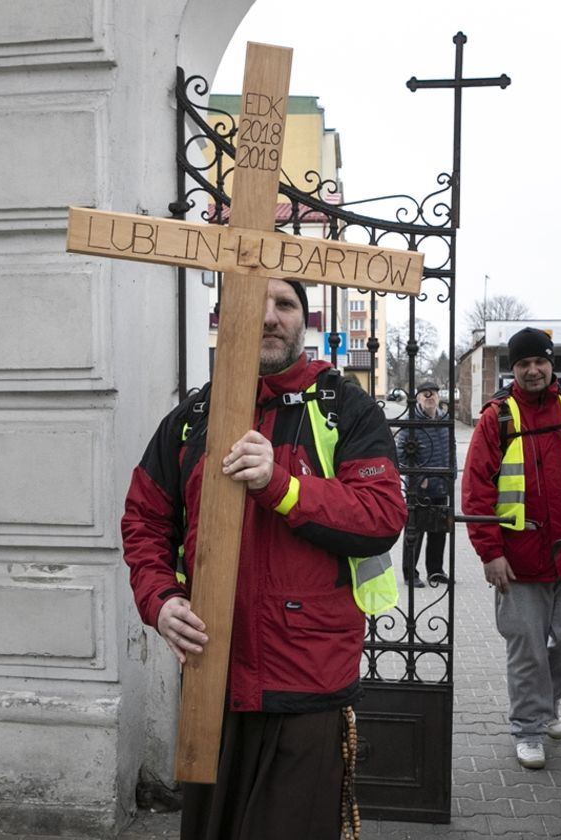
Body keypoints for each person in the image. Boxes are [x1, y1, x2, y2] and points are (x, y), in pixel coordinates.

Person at [122, 278, 408, 840]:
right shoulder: (191, 418)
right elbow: (145, 520)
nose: (270, 316)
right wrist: (160, 600)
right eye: (254, 302)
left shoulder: (345, 407)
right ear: (224, 316)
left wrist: (282, 485)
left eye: (285, 304)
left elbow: (381, 515)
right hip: (213, 678)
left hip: (308, 683)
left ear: (305, 318)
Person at [461, 327, 561, 770]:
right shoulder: (497, 418)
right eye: (523, 364)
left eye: (539, 361)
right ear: (513, 369)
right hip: (518, 560)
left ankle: (545, 702)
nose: (533, 370)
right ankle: (528, 729)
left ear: (551, 363)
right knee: (527, 649)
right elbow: (477, 491)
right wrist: (490, 553)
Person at [395, 381, 452, 588]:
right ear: (418, 398)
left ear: (439, 397)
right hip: (419, 488)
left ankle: (435, 571)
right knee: (415, 532)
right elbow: (401, 454)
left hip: (441, 484)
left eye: (433, 394)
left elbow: (451, 448)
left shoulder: (445, 420)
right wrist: (419, 477)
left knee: (439, 530)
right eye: (425, 394)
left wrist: (452, 473)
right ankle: (410, 573)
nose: (429, 397)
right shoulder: (411, 422)